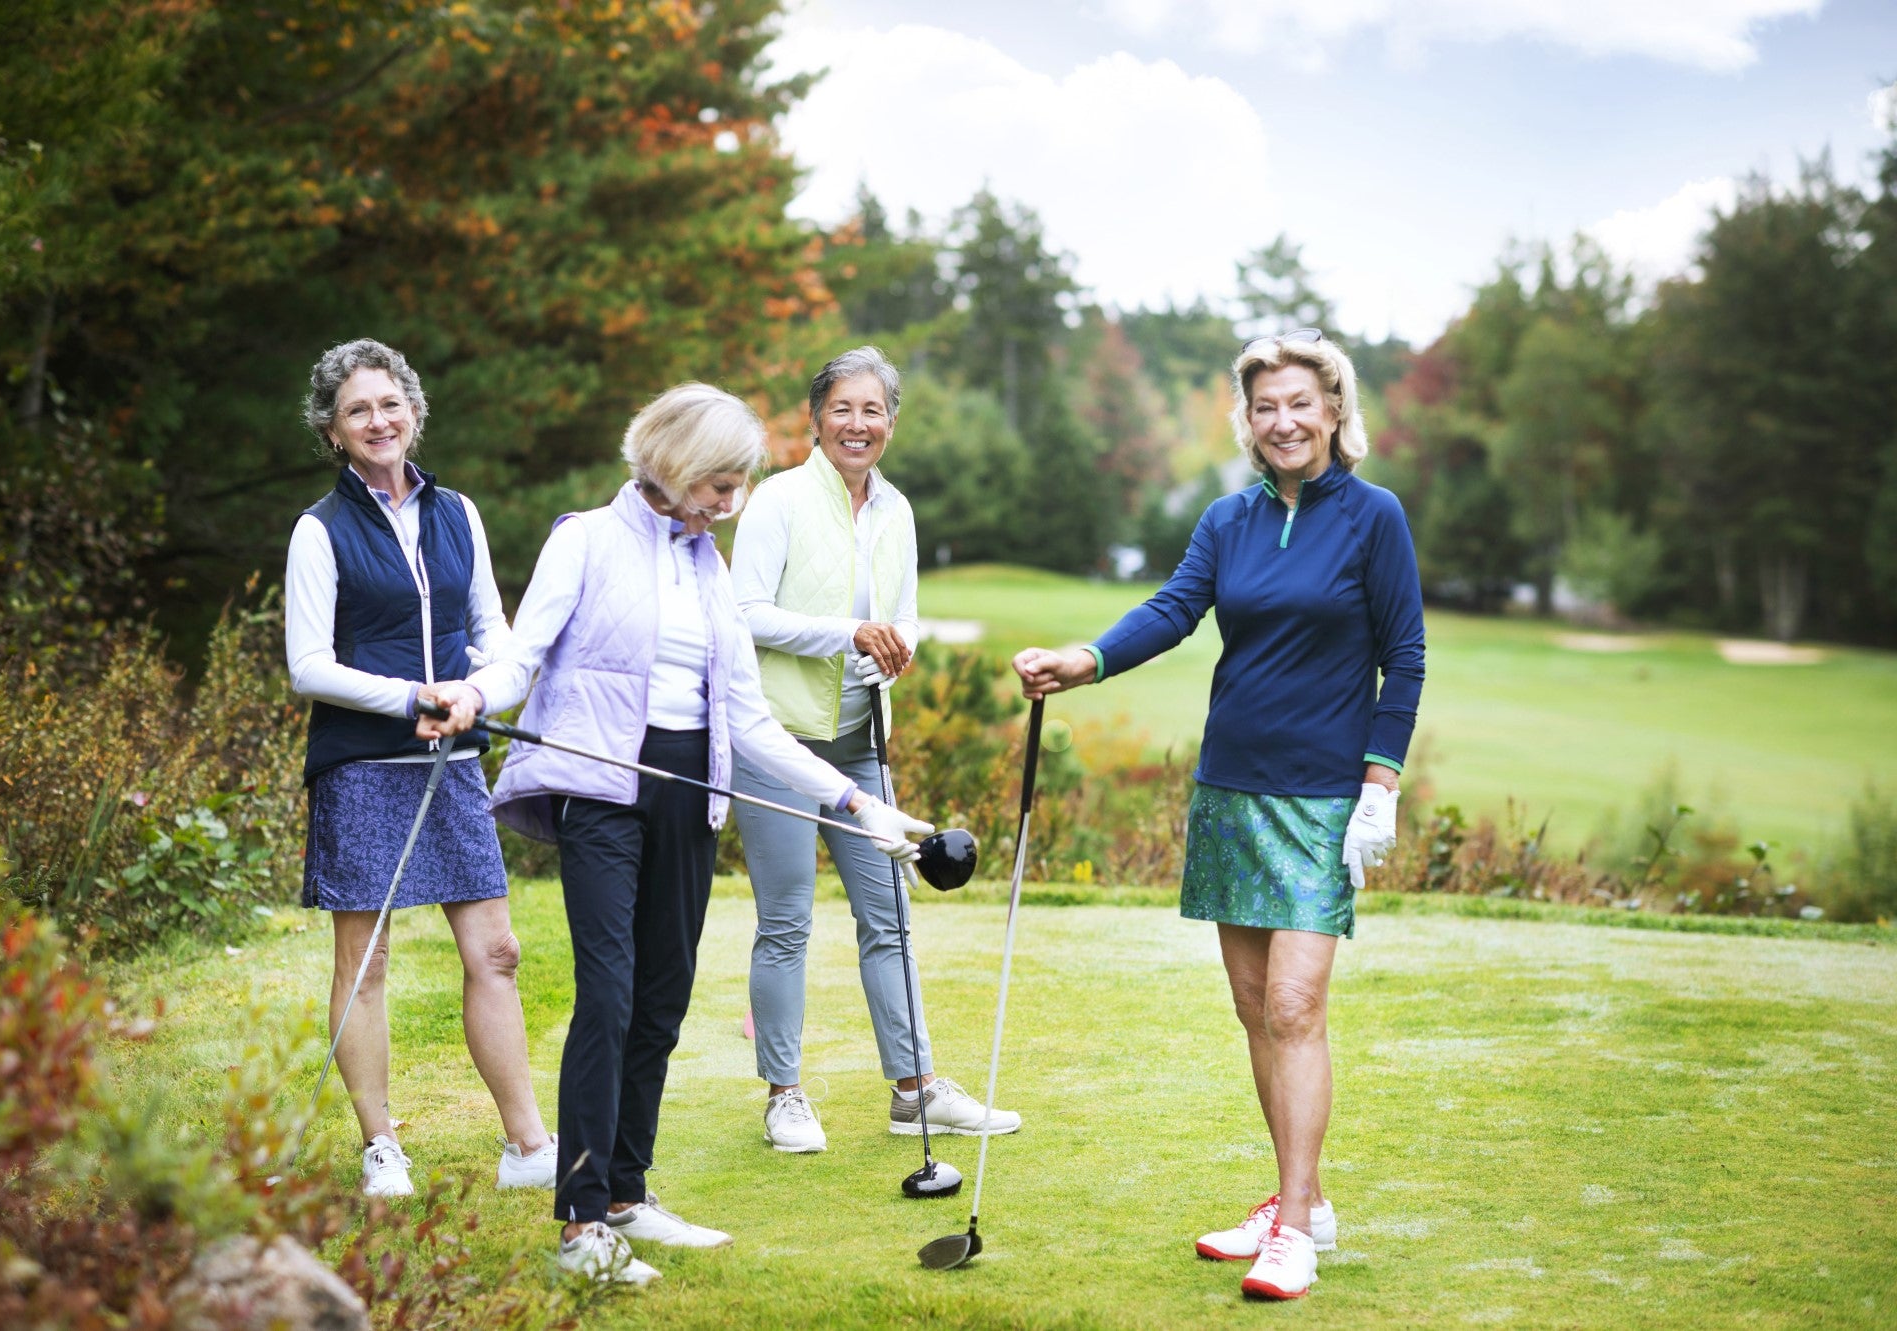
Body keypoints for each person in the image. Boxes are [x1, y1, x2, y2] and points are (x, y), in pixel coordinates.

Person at [417, 383, 932, 1285]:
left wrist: (858, 804)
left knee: (663, 994)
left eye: (737, 485)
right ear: (671, 463)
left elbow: (751, 721)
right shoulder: (585, 539)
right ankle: (581, 1225)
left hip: (690, 793)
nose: (730, 503)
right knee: (609, 994)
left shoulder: (709, 567)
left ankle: (625, 1192)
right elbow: (520, 659)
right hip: (602, 789)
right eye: (719, 484)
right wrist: (469, 695)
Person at [1011, 330, 1424, 1301]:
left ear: (1333, 410)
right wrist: (1085, 659)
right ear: (1247, 420)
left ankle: (1294, 1231)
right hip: (1231, 789)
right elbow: (1171, 610)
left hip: (1321, 800)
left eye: (1299, 402)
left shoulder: (1373, 516)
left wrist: (1380, 782)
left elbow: (1403, 655)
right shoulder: (1227, 518)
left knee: (1294, 1006)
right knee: (1252, 1008)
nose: (1282, 421)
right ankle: (1299, 1199)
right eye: (1263, 406)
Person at [729, 346, 1021, 1153]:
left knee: (889, 915)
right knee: (786, 920)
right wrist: (849, 632)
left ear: (892, 421)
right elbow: (744, 613)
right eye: (843, 408)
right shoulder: (779, 500)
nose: (858, 424)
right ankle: (784, 1095)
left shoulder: (898, 511)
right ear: (815, 418)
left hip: (860, 741)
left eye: (873, 410)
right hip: (777, 739)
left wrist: (896, 648)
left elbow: (906, 615)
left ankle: (915, 1089)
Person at [284, 338, 556, 1198]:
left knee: (497, 950)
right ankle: (381, 1145)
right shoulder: (318, 530)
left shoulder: (458, 512)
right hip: (364, 762)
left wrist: (478, 690)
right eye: (357, 410)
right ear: (333, 430)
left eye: (390, 403)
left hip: (452, 760)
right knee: (366, 961)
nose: (378, 420)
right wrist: (411, 697)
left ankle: (528, 1145)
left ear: (413, 410)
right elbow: (309, 665)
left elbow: (492, 630)